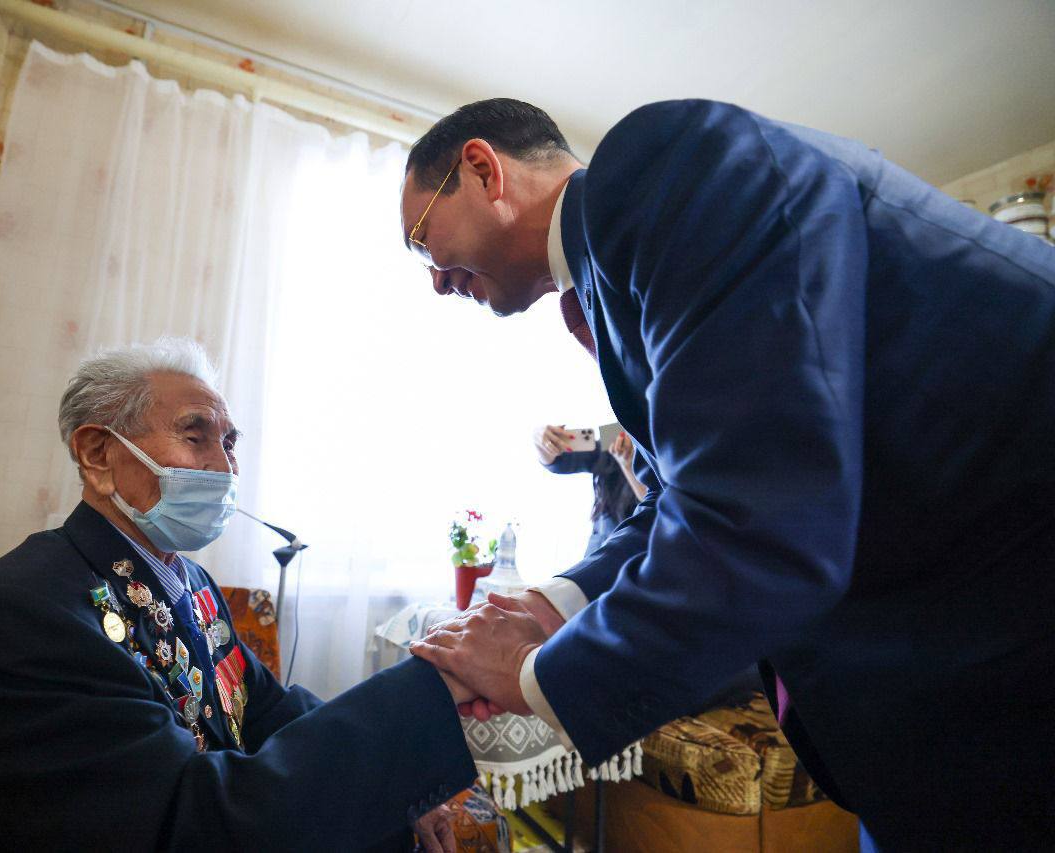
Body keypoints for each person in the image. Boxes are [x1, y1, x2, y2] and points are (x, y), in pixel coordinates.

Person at [400, 98, 1055, 848]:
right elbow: (690, 491)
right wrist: (551, 607)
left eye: (421, 241)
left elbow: (753, 515)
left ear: (483, 170)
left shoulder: (666, 165)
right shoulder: (613, 270)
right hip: (940, 681)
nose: (435, 282)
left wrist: (529, 673)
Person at [0, 338, 476, 852]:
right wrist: (434, 683)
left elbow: (267, 709)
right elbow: (179, 815)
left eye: (229, 443)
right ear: (98, 455)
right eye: (195, 436)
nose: (224, 466)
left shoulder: (190, 582)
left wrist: (395, 779)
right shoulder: (18, 613)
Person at [534, 424, 644, 556]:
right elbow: (558, 463)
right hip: (602, 548)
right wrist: (542, 442)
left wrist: (627, 465)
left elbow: (654, 500)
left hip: (639, 551)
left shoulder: (661, 448)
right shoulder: (615, 435)